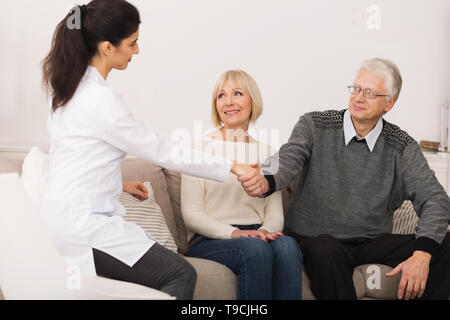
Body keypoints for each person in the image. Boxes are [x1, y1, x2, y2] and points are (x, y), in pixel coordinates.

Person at [40, 0, 256, 300]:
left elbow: (77, 161)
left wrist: (120, 184)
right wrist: (232, 165)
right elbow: (161, 150)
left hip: (59, 221)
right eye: (132, 43)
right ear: (107, 47)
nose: (136, 51)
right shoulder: (102, 101)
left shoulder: (66, 92)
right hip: (83, 227)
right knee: (179, 273)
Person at [240, 58, 450, 300]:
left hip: (371, 242)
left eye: (369, 92)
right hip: (316, 240)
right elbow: (287, 157)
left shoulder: (401, 145)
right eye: (356, 88)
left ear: (389, 104)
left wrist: (423, 254)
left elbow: (435, 198)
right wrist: (265, 177)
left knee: (445, 243)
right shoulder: (314, 124)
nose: (358, 97)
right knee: (325, 249)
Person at [181, 70, 303, 300]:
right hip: (212, 239)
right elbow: (192, 214)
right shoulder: (196, 150)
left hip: (258, 233)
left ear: (252, 101)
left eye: (237, 93)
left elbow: (275, 214)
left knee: (287, 246)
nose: (228, 102)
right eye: (221, 95)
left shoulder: (269, 154)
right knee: (255, 249)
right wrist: (236, 233)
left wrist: (265, 232)